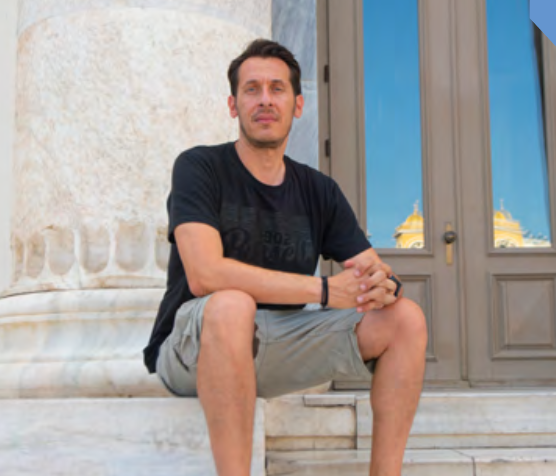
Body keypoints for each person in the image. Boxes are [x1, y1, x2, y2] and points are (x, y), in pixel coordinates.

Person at [143, 38, 427, 476]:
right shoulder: (200, 167)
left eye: (277, 89)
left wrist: (381, 284)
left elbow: (371, 267)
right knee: (232, 304)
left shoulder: (318, 189)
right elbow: (204, 274)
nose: (265, 100)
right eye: (251, 89)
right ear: (233, 105)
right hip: (194, 347)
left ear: (297, 105)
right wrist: (324, 290)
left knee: (406, 318)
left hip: (279, 345)